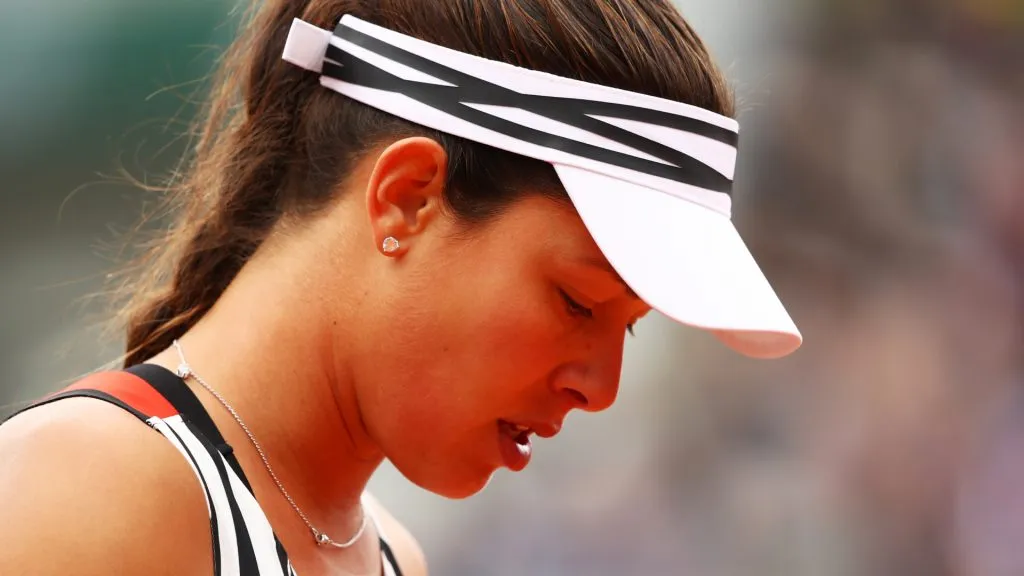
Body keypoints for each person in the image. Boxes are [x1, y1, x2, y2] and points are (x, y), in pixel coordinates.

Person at [0, 0, 801, 574]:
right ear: (409, 196)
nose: (600, 390)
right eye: (578, 302)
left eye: (627, 327)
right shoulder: (87, 493)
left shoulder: (391, 558)